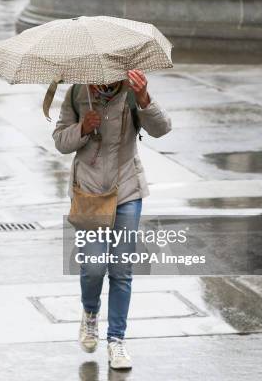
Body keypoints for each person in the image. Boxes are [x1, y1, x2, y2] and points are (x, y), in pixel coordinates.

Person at [52, 69, 171, 370]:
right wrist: (81, 128)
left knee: (121, 270)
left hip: (127, 191)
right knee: (92, 268)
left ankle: (116, 340)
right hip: (90, 193)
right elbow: (60, 142)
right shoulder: (78, 92)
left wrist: (144, 98)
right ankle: (90, 313)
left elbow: (162, 129)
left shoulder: (132, 91)